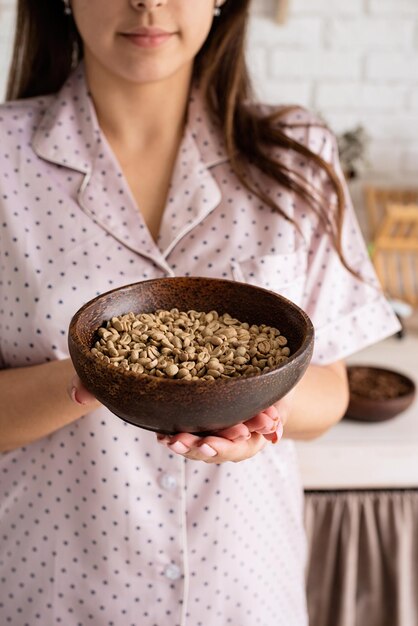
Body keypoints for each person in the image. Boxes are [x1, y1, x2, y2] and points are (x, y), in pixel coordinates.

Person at [0, 1, 400, 624]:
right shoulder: (5, 159)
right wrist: (99, 377)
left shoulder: (297, 153)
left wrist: (249, 401)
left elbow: (333, 395)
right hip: (56, 585)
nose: (149, 2)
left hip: (242, 585)